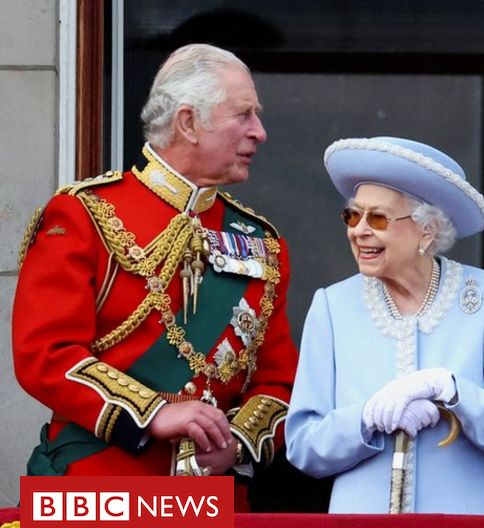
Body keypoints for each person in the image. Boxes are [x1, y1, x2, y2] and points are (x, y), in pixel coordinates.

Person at [13, 44, 297, 497]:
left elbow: (279, 382)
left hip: (211, 503)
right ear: (188, 122)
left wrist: (236, 443)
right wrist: (152, 413)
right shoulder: (86, 214)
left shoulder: (263, 242)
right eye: (243, 114)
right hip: (97, 495)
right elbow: (45, 354)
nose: (259, 132)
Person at [284, 136, 484, 514]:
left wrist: (453, 392)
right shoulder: (332, 306)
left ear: (428, 230)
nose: (359, 230)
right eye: (353, 216)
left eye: (378, 218)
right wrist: (367, 417)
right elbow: (303, 446)